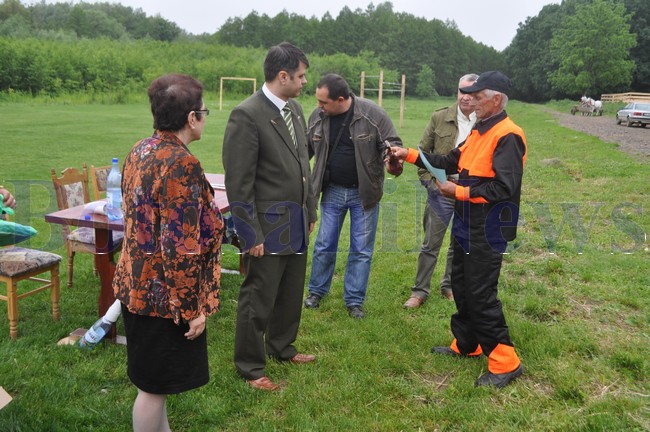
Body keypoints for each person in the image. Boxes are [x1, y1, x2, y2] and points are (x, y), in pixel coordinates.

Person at [391, 71, 526, 388]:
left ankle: (506, 362)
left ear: (496, 99)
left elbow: (504, 188)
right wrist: (408, 154)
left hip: (489, 227)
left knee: (480, 294)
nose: (471, 102)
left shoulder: (508, 135)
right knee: (462, 286)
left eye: (478, 97)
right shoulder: (479, 130)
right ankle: (467, 344)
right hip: (467, 223)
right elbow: (447, 161)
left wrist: (459, 192)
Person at [113, 73, 224, 431]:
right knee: (152, 390)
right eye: (204, 111)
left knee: (152, 385)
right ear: (192, 117)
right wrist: (192, 309)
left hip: (136, 285)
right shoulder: (181, 164)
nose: (205, 118)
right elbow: (181, 247)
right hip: (163, 298)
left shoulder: (140, 149)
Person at [222, 42, 317, 392]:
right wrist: (250, 233)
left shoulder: (295, 109)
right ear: (283, 76)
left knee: (290, 291)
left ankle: (282, 346)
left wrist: (310, 210)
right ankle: (250, 366)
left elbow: (302, 166)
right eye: (301, 76)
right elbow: (239, 182)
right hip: (267, 224)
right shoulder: (246, 115)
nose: (305, 82)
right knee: (258, 296)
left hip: (296, 219)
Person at [303, 73, 403, 319]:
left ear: (340, 100)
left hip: (364, 194)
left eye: (323, 102)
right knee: (324, 244)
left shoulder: (373, 114)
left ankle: (355, 301)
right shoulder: (318, 117)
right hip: (332, 190)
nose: (319, 106)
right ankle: (316, 291)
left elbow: (392, 144)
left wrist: (392, 159)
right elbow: (305, 151)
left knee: (361, 250)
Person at [404, 73, 478, 308]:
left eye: (471, 93)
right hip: (441, 191)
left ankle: (450, 286)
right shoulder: (440, 117)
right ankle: (419, 292)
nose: (465, 97)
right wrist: (431, 184)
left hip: (469, 192)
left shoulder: (485, 121)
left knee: (460, 243)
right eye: (462, 91)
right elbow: (422, 153)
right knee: (431, 244)